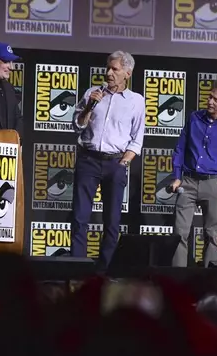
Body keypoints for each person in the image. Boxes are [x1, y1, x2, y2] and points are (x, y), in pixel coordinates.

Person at [71, 51, 144, 267]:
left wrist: (123, 164)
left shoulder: (136, 101)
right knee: (79, 217)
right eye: (108, 68)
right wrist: (89, 106)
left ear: (127, 74)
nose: (109, 73)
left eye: (115, 69)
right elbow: (78, 125)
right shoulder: (92, 93)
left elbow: (136, 139)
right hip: (88, 161)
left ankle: (105, 270)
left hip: (115, 163)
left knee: (112, 222)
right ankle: (77, 267)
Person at [170, 80, 217, 267]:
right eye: (209, 96)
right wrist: (177, 176)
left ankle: (209, 279)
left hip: (213, 184)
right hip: (188, 181)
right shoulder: (194, 118)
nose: (209, 101)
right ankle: (177, 279)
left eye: (215, 99)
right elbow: (180, 149)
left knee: (212, 234)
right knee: (180, 233)